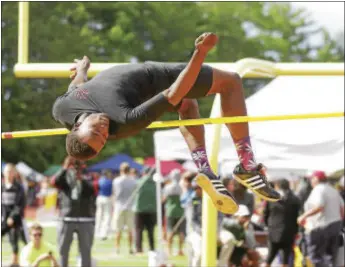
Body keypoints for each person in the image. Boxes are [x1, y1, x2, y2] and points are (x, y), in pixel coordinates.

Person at [52, 32, 280, 214]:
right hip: (158, 78)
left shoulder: (61, 109)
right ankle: (247, 165)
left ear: (76, 126)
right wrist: (199, 53)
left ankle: (205, 171)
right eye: (104, 137)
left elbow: (76, 88)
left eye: (96, 131)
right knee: (231, 82)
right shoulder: (124, 119)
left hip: (146, 87)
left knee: (188, 105)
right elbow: (173, 92)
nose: (104, 128)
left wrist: (82, 70)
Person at [51, 156, 97, 267]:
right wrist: (65, 168)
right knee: (63, 249)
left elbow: (94, 190)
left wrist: (82, 179)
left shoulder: (89, 175)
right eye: (75, 164)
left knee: (85, 251)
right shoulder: (65, 175)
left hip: (85, 218)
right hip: (67, 217)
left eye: (79, 163)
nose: (77, 167)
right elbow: (54, 182)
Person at [298, 170, 344, 267]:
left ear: (316, 179)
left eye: (312, 179)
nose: (310, 181)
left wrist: (303, 216)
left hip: (320, 227)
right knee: (330, 256)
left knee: (316, 257)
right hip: (335, 226)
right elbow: (342, 209)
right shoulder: (333, 190)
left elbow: (319, 207)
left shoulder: (318, 189)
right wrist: (339, 221)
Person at [264, 179, 301, 267]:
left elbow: (266, 214)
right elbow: (298, 216)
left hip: (273, 231)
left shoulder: (271, 198)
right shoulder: (295, 199)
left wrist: (268, 226)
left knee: (269, 257)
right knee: (285, 259)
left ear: (277, 186)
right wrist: (296, 230)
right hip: (289, 232)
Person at [1, 163, 27, 267]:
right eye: (7, 171)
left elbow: (20, 204)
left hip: (16, 219)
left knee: (17, 238)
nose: (8, 174)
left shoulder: (19, 187)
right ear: (3, 173)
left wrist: (12, 216)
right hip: (3, 217)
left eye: (11, 172)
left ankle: (15, 261)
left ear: (14, 173)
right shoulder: (2, 186)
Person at [112, 162, 138, 254]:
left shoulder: (116, 180)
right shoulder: (134, 180)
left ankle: (117, 248)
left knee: (118, 230)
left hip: (119, 206)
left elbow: (114, 194)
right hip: (130, 207)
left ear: (121, 170)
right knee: (130, 230)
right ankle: (130, 248)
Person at [132, 167, 157, 254]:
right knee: (151, 231)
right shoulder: (155, 184)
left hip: (139, 209)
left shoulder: (138, 182)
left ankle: (139, 249)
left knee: (138, 230)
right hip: (152, 210)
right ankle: (152, 248)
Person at [162, 169, 185, 256]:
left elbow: (163, 199)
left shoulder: (167, 187)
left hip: (170, 211)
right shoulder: (182, 186)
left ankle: (169, 250)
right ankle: (180, 250)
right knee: (181, 232)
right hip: (180, 211)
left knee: (169, 231)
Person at [95, 169, 113, 240]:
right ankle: (104, 233)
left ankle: (97, 232)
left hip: (99, 198)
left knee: (99, 215)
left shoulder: (98, 181)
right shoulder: (109, 181)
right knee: (107, 216)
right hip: (107, 198)